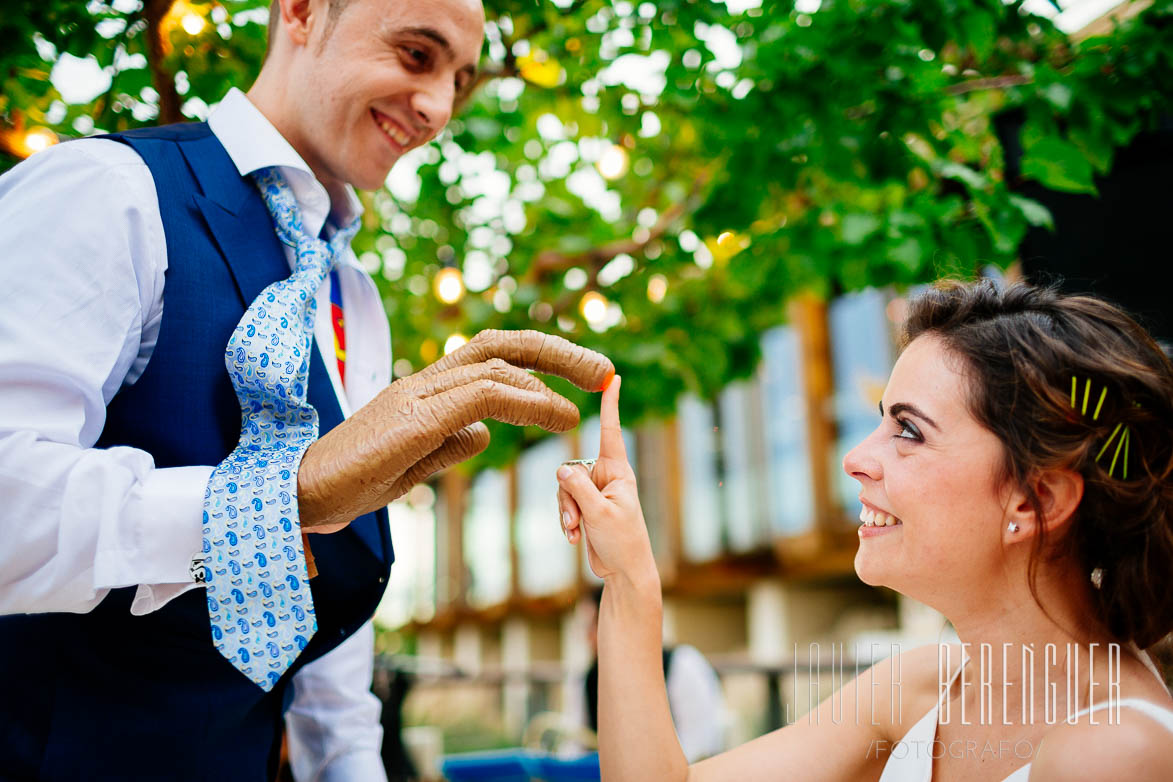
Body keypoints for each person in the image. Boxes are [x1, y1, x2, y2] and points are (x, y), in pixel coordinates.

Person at [0, 0, 613, 779]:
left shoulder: (354, 299)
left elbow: (328, 675)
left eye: (457, 81)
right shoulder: (104, 188)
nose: (436, 108)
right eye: (417, 54)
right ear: (299, 10)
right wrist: (276, 498)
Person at [556, 280, 1173, 781]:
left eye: (909, 431)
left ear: (1036, 498)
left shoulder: (1115, 749)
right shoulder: (919, 685)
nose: (855, 457)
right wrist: (629, 579)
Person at [566, 586, 725, 762]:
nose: (587, 638)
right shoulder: (587, 680)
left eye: (591, 626)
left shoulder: (682, 665)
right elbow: (577, 747)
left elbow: (699, 745)